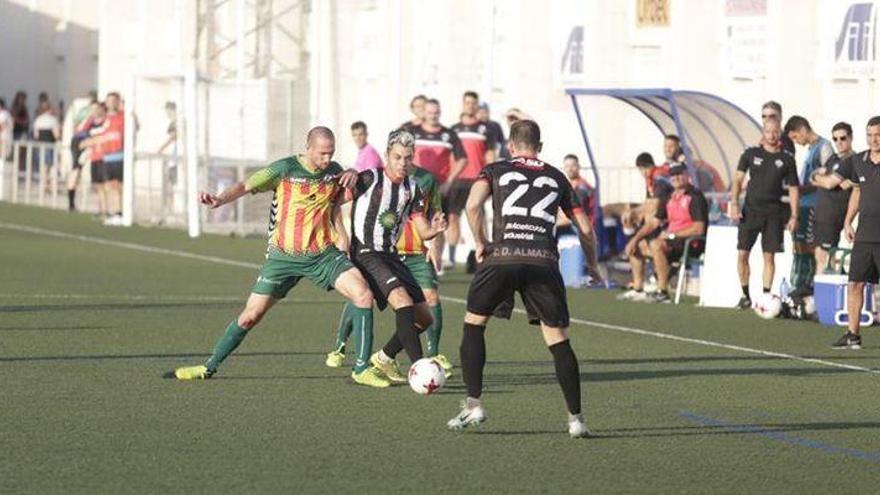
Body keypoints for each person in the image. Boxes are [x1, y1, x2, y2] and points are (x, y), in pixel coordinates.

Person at [169, 126, 389, 387]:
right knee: (250, 316)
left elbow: (339, 196)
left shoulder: (332, 171)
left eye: (331, 153)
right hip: (282, 258)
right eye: (322, 153)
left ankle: (361, 369)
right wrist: (219, 199)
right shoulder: (284, 169)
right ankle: (209, 366)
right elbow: (244, 185)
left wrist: (352, 173)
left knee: (363, 295)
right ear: (308, 147)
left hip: (322, 255)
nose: (327, 159)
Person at [446, 119, 601, 438]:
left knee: (474, 324)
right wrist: (594, 266)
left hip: (502, 257)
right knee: (558, 339)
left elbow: (473, 205)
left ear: (511, 146)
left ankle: (474, 405)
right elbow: (585, 228)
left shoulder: (496, 169)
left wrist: (480, 242)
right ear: (539, 148)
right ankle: (576, 420)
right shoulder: (558, 176)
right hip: (543, 260)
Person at [328, 130, 448, 384]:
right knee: (402, 302)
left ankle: (383, 358)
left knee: (425, 318)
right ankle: (419, 368)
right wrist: (342, 236)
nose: (402, 163)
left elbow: (422, 230)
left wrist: (435, 228)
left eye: (407, 157)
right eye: (397, 157)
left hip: (392, 256)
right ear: (386, 156)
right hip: (367, 253)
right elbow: (336, 203)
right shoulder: (369, 178)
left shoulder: (414, 188)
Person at [729, 116, 800, 309]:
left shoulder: (787, 159)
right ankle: (745, 296)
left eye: (775, 131)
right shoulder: (750, 154)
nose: (772, 135)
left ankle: (766, 297)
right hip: (750, 212)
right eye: (768, 131)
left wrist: (794, 215)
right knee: (742, 254)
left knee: (769, 256)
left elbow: (794, 188)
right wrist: (734, 202)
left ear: (780, 133)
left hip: (774, 214)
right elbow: (737, 180)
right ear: (763, 132)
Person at [832, 116, 880, 350]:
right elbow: (857, 193)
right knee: (855, 284)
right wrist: (848, 221)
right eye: (870, 135)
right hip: (864, 235)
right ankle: (853, 334)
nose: (874, 139)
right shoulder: (859, 161)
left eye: (878, 135)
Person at [411, 98, 466, 270]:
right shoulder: (412, 132)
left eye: (436, 112)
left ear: (440, 112)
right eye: (429, 112)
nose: (433, 115)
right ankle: (414, 258)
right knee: (414, 222)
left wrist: (449, 181)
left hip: (439, 188)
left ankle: (437, 261)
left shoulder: (448, 135)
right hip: (414, 186)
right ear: (424, 113)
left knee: (438, 222)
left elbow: (462, 159)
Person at [644, 163, 709, 303]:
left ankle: (662, 290)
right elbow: (655, 221)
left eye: (679, 173)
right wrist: (635, 238)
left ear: (687, 175)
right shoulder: (670, 197)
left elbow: (699, 228)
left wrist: (672, 235)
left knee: (656, 245)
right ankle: (641, 286)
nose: (676, 177)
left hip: (691, 242)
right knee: (640, 246)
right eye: (673, 175)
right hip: (674, 241)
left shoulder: (695, 196)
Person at [786, 115, 833, 295]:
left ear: (803, 130)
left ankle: (812, 284)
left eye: (796, 138)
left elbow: (828, 174)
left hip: (815, 204)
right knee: (799, 244)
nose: (796, 143)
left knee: (811, 244)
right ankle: (801, 283)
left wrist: (803, 188)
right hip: (804, 205)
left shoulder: (825, 147)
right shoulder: (811, 148)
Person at [450, 91, 497, 270]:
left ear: (477, 106)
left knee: (480, 216)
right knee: (453, 217)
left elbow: (490, 155)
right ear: (463, 104)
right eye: (467, 102)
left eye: (473, 103)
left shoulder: (486, 129)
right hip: (458, 180)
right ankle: (452, 260)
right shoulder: (453, 130)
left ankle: (482, 251)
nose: (470, 106)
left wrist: (492, 178)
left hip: (478, 179)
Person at [810, 122, 854, 271]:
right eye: (835, 139)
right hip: (821, 214)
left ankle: (823, 292)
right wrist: (819, 177)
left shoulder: (853, 160)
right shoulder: (834, 159)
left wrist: (819, 178)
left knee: (825, 257)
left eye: (843, 138)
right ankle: (821, 290)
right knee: (819, 255)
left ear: (851, 138)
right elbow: (813, 178)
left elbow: (830, 184)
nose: (839, 143)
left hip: (832, 216)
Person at [66, 92, 98, 211]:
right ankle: (71, 202)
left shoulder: (82, 111)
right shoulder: (91, 113)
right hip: (83, 140)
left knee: (76, 169)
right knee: (77, 169)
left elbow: (75, 125)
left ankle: (71, 202)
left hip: (76, 139)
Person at [32, 99, 61, 174]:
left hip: (40, 145)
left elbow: (36, 135)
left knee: (42, 165)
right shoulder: (53, 120)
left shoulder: (38, 119)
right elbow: (56, 135)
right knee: (51, 165)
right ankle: (51, 183)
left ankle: (43, 182)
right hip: (50, 145)